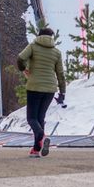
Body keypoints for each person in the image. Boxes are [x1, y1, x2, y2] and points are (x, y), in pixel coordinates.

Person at [17, 27, 66, 158]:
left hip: (35, 87)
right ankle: (36, 149)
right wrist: (62, 92)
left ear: (39, 35)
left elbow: (20, 58)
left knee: (32, 118)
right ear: (51, 37)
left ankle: (41, 136)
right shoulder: (56, 52)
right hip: (50, 89)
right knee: (40, 118)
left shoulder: (33, 46)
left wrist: (23, 69)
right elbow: (60, 74)